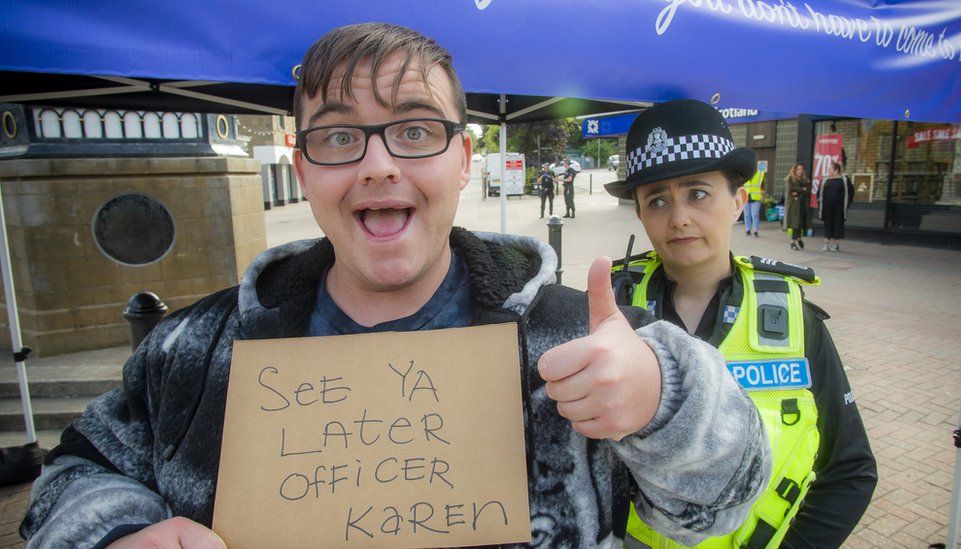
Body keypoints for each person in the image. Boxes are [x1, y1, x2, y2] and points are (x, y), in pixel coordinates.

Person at [20, 24, 770, 548]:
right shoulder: (195, 349)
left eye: (415, 130)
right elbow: (79, 467)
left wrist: (662, 401)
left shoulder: (580, 344)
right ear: (302, 164)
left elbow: (722, 506)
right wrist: (114, 529)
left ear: (463, 158)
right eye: (340, 135)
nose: (379, 165)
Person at [605, 100, 876, 549]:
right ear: (640, 215)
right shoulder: (611, 317)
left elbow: (850, 470)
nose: (679, 218)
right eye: (657, 200)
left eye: (697, 193)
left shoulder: (794, 322)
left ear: (738, 201)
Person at [818, 161, 854, 252]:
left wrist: (847, 204)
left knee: (838, 224)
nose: (828, 171)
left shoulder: (844, 180)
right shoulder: (825, 180)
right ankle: (826, 244)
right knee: (828, 224)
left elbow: (850, 192)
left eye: (830, 169)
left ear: (836, 170)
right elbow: (820, 191)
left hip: (839, 208)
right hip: (827, 207)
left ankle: (836, 244)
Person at [785, 163, 812, 251]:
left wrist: (798, 191)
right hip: (794, 205)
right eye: (798, 169)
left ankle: (799, 238)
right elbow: (790, 190)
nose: (800, 171)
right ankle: (793, 242)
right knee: (795, 223)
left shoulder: (805, 180)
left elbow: (808, 191)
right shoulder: (791, 179)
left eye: (801, 169)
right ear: (795, 170)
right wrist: (802, 189)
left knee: (800, 223)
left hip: (803, 204)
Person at [742, 166, 764, 237]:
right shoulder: (745, 176)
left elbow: (762, 185)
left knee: (755, 215)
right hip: (746, 197)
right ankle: (747, 230)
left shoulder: (759, 175)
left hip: (756, 198)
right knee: (747, 215)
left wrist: (763, 195)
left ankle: (755, 231)